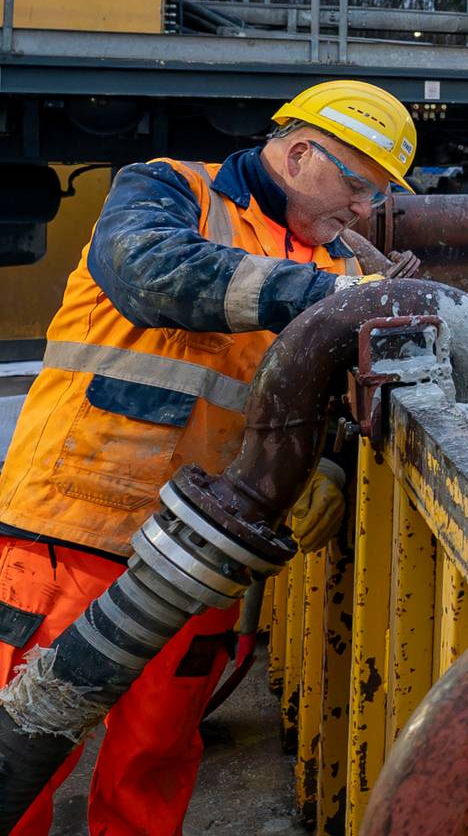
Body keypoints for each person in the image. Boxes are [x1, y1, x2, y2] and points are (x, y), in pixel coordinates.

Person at [0, 80, 421, 835]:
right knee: (22, 753)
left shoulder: (336, 262)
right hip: (73, 524)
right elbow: (152, 273)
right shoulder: (170, 189)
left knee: (154, 757)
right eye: (358, 185)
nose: (365, 210)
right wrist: (330, 295)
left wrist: (324, 467)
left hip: (203, 548)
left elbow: (324, 397)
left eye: (378, 195)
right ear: (300, 153)